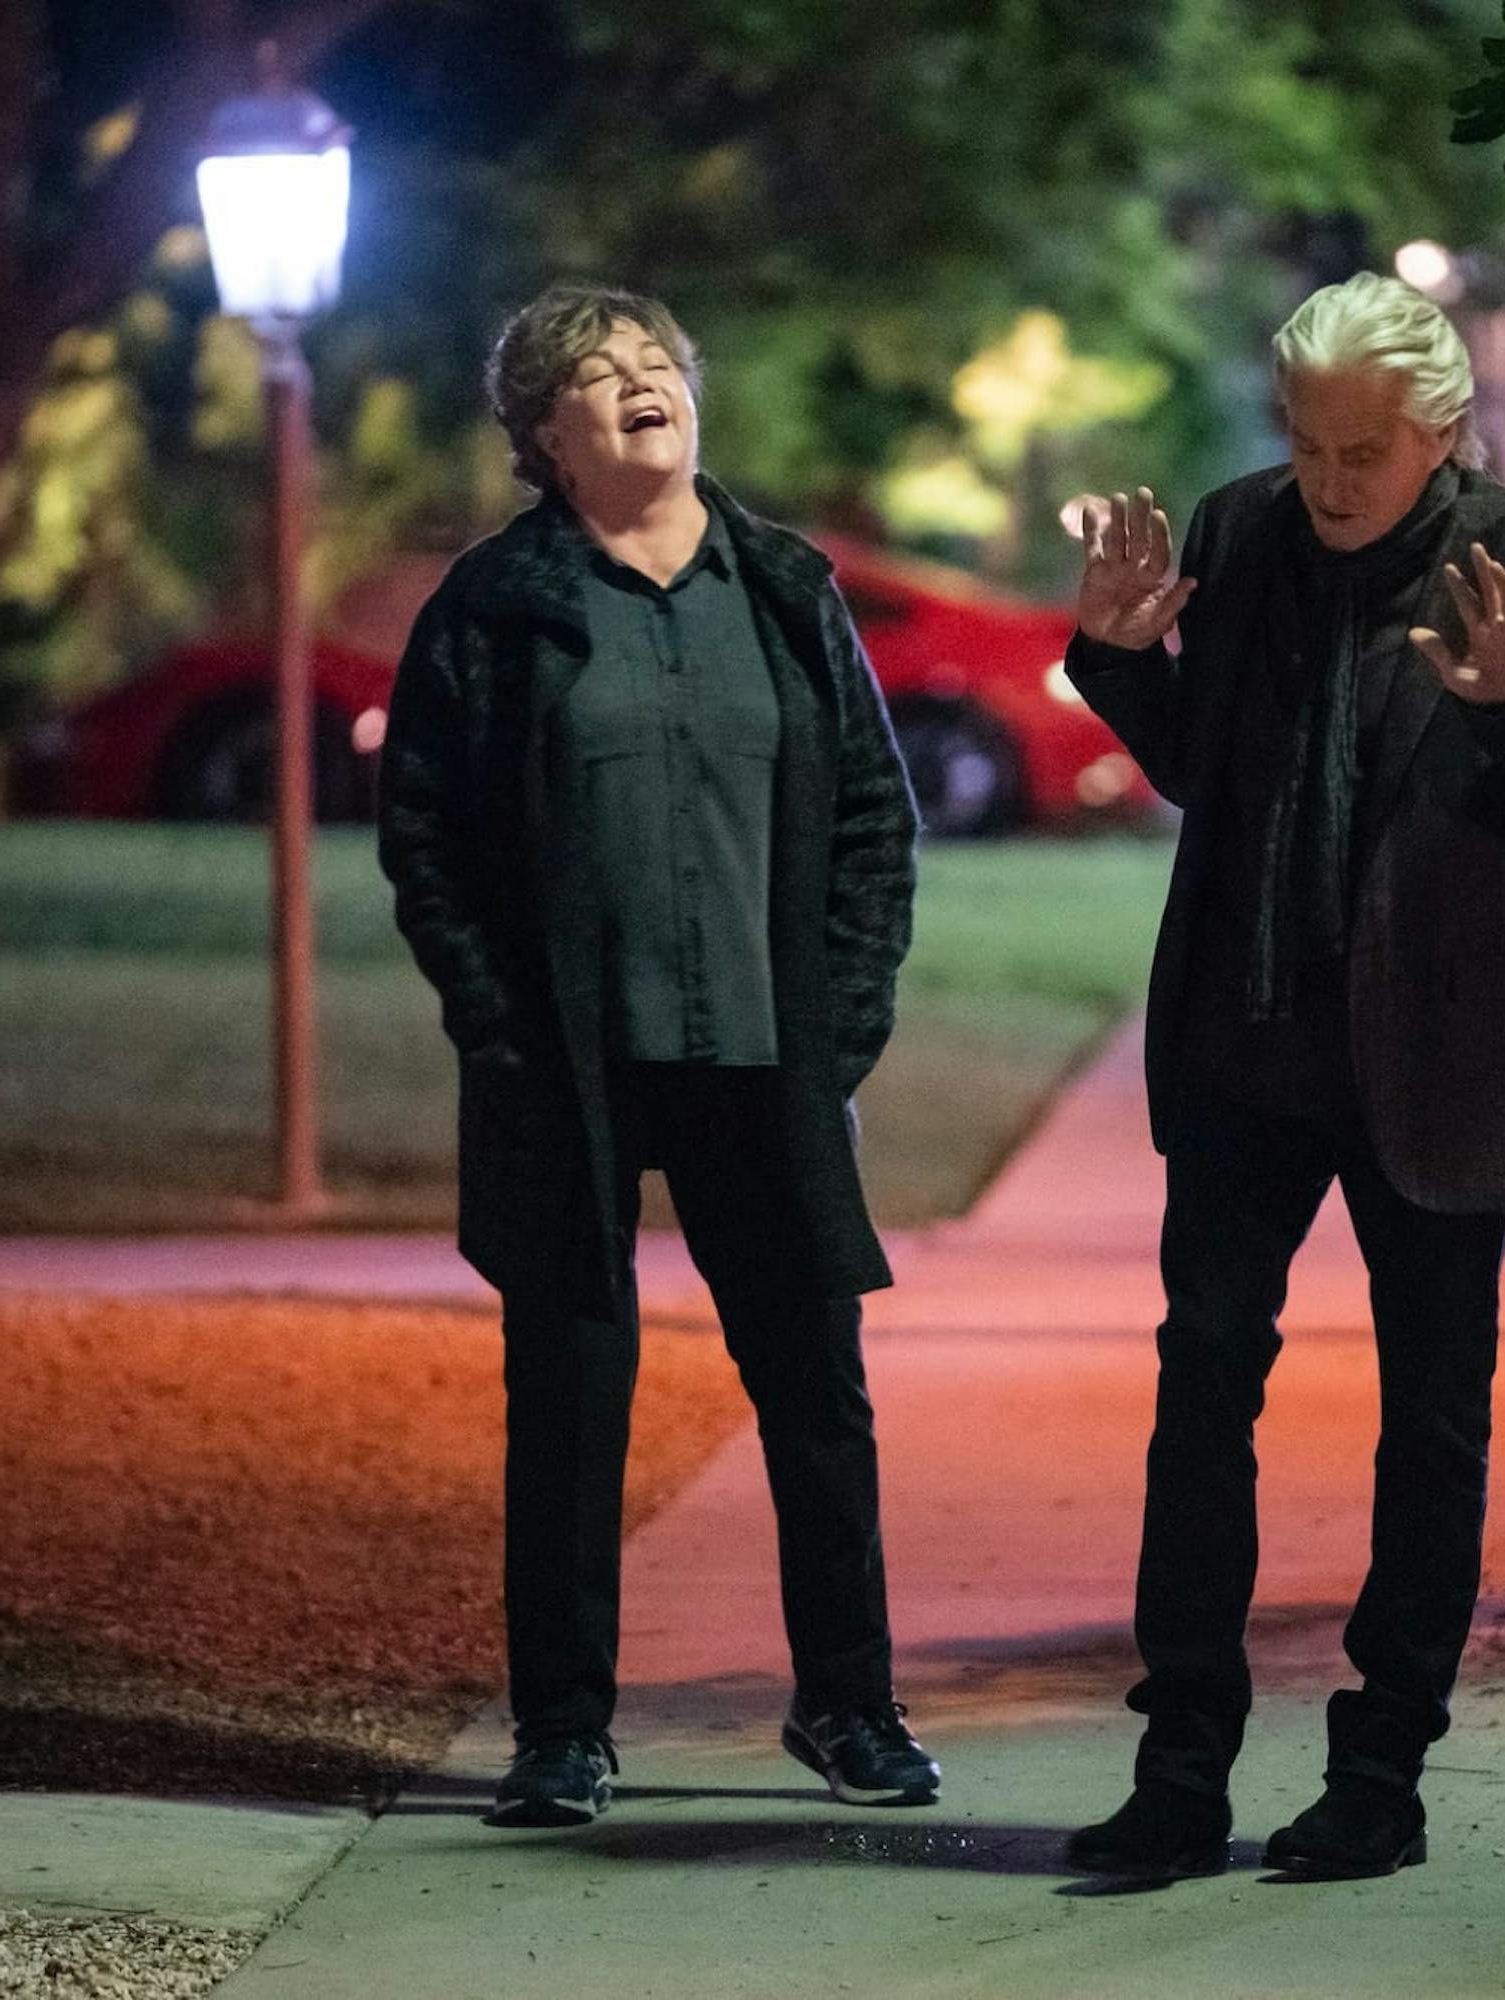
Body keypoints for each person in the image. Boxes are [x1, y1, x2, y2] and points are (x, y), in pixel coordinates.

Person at [1059, 273, 1505, 1881]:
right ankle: (1179, 1769)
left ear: (1441, 433)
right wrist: (1115, 660)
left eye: (1362, 452)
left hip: (1435, 1062)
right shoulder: (1240, 533)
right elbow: (1198, 764)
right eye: (1307, 445)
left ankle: (1378, 1777)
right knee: (1201, 1393)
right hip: (1247, 1047)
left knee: (1430, 1425)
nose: (1327, 481)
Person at [378, 280, 937, 1829]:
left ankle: (849, 1708)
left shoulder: (785, 587)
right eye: (597, 376)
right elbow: (420, 837)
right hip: (567, 1062)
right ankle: (561, 1732)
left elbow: (875, 826)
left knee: (814, 1387)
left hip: (766, 1053)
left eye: (655, 365)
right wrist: (494, 1028)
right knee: (567, 1395)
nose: (639, 385)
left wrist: (841, 1018)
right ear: (541, 442)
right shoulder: (492, 609)